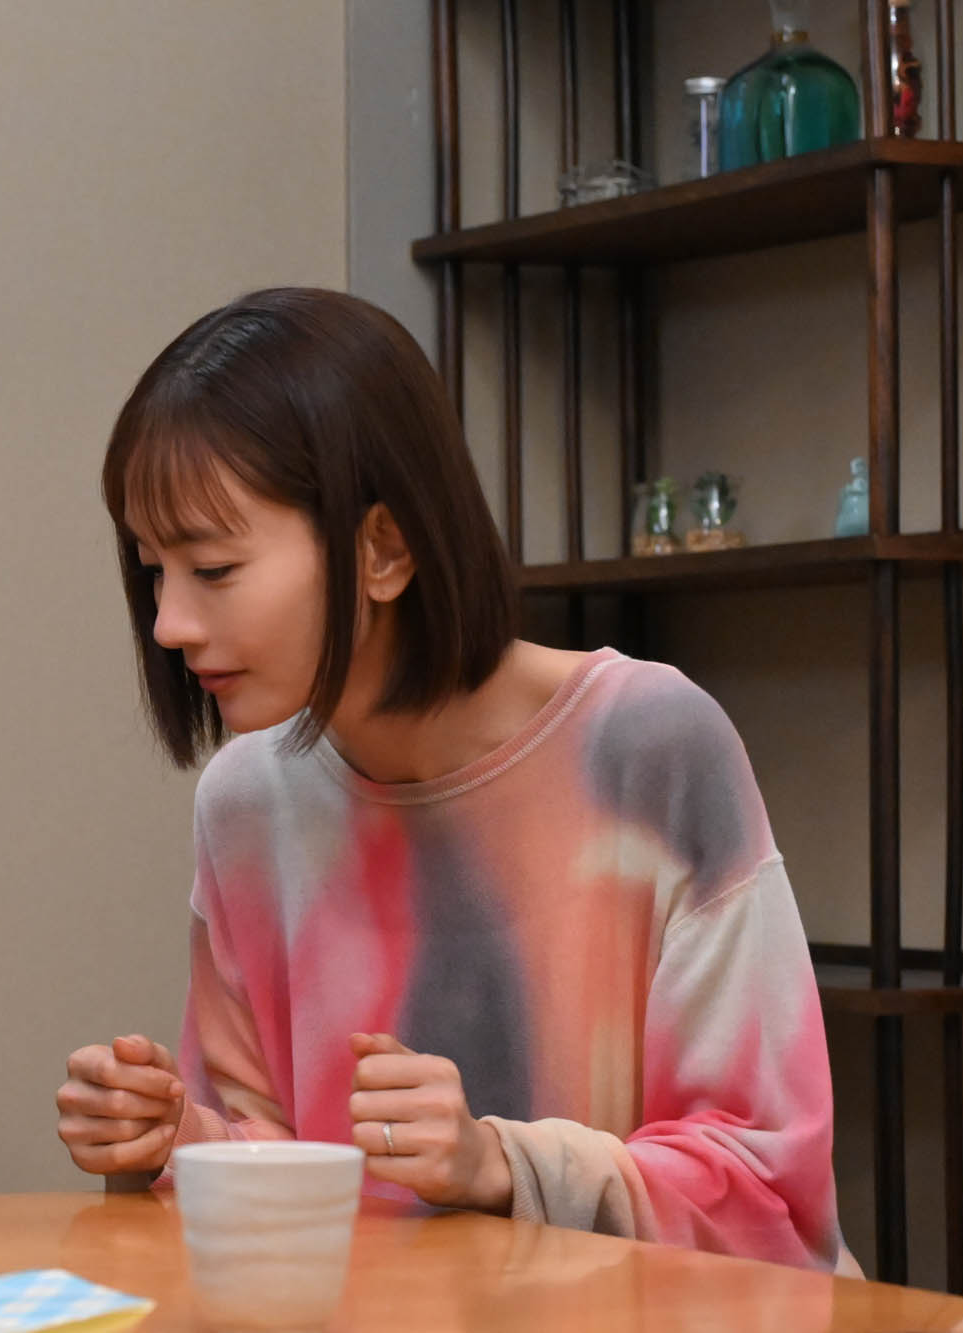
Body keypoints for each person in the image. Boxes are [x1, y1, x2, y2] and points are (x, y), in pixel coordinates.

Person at [54, 288, 845, 1271]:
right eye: (152, 571)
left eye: (211, 569)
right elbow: (287, 1167)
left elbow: (769, 1193)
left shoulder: (648, 747)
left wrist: (497, 1163)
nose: (169, 623)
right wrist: (178, 1141)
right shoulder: (246, 802)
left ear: (383, 550)